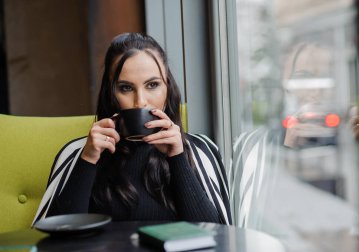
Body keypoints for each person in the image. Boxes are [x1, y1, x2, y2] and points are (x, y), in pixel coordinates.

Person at [33, 33, 231, 225]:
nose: (140, 102)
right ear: (110, 94)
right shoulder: (77, 153)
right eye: (126, 88)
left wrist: (177, 157)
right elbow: (51, 241)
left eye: (152, 85)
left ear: (167, 88)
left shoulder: (200, 150)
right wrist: (88, 160)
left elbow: (220, 237)